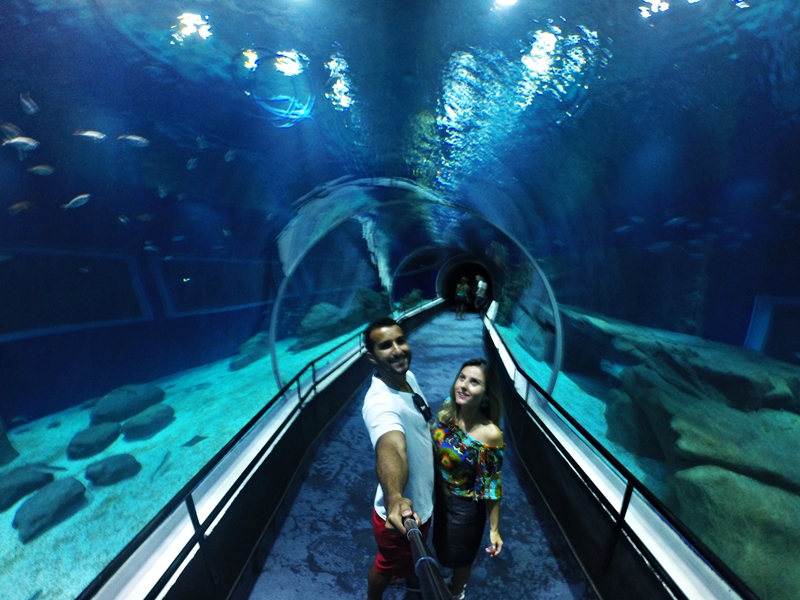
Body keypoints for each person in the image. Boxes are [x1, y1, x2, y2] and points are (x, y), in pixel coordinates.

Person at [361, 317, 435, 600]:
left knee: (404, 561)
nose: (397, 350)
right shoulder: (380, 403)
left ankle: (407, 575)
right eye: (385, 346)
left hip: (420, 505)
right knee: (385, 567)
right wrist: (394, 498)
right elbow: (390, 446)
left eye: (400, 341)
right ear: (371, 356)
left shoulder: (407, 378)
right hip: (402, 517)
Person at [431, 358, 505, 600]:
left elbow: (491, 486)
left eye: (474, 382)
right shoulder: (448, 409)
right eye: (462, 378)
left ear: (486, 394)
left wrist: (494, 529)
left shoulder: (490, 434)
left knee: (461, 557)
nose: (463, 385)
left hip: (464, 509)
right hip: (438, 497)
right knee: (441, 545)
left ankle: (456, 591)